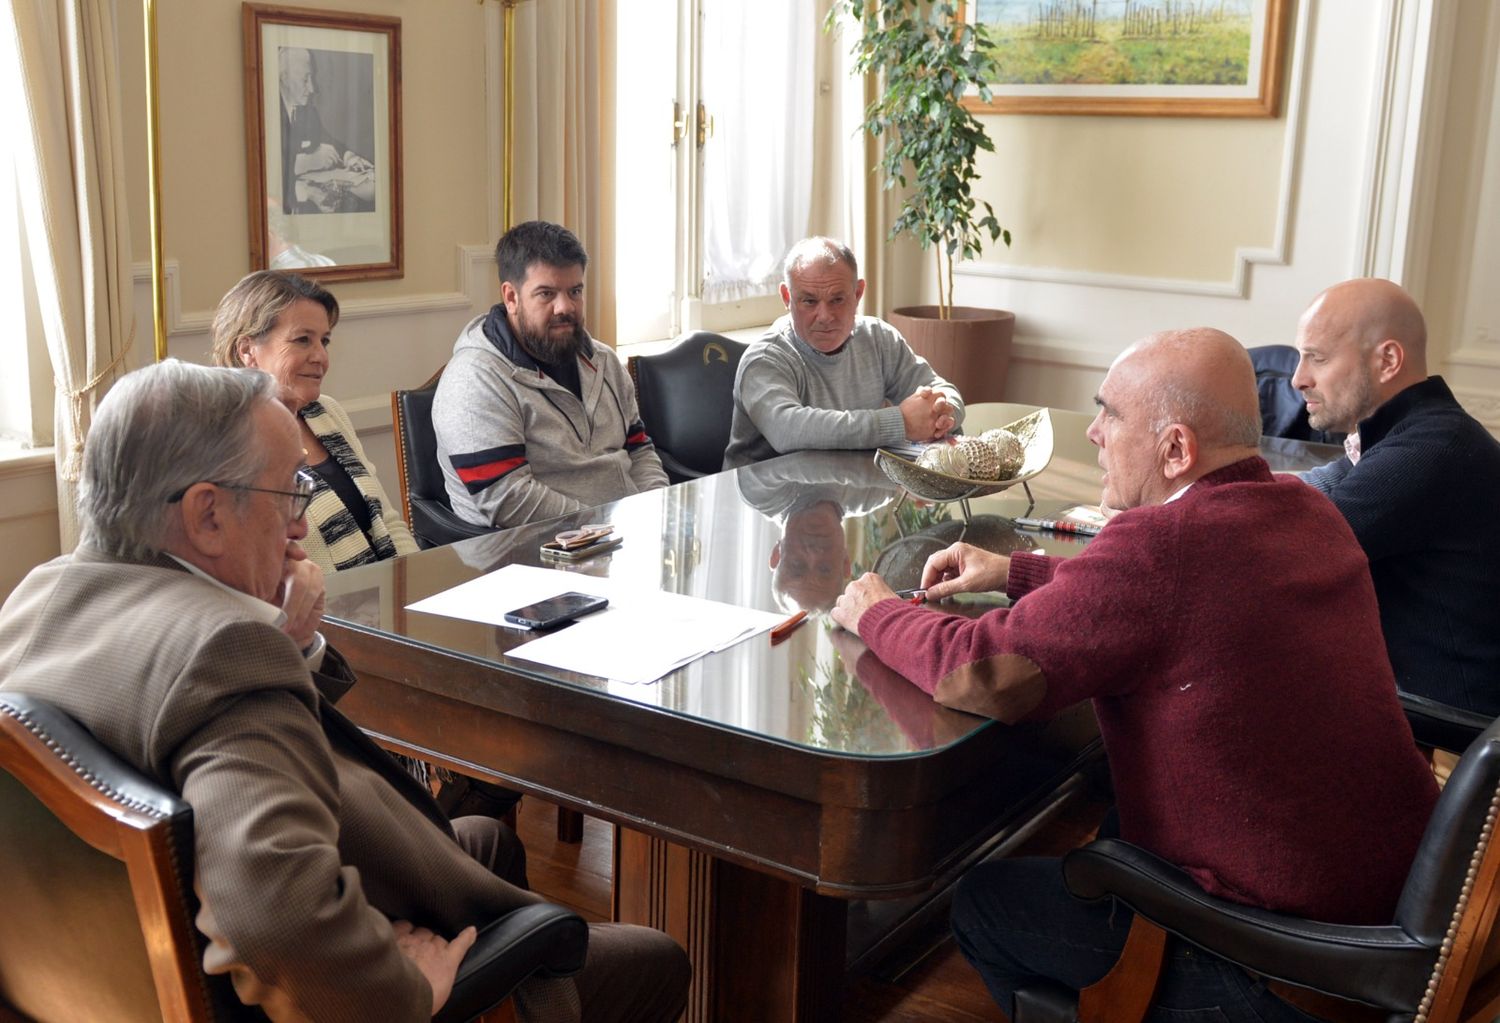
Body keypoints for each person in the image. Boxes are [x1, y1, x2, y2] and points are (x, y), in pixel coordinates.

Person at [0, 361, 690, 1023]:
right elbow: (275, 917)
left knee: (482, 844)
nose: (300, 524)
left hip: (105, 978)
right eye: (287, 494)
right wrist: (404, 992)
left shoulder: (35, 599)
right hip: (308, 980)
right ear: (208, 514)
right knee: (658, 959)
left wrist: (290, 640)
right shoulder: (222, 651)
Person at [831, 329, 1439, 1022]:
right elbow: (1184, 598)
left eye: (1109, 415)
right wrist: (1017, 571)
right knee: (1112, 821)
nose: (1091, 431)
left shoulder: (1160, 547)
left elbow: (982, 672)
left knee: (981, 904)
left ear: (1176, 449)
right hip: (1390, 911)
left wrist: (876, 612)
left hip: (1278, 956)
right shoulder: (1307, 509)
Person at [1292, 278, 1500, 715]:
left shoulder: (1431, 449)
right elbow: (1309, 490)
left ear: (1387, 360)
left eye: (1318, 358)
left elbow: (1289, 549)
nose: (1298, 379)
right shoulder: (1415, 433)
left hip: (1444, 719)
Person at [435, 221, 667, 529]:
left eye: (575, 291)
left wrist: (661, 513)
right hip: (530, 554)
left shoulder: (604, 360)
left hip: (621, 537)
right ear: (511, 297)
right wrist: (605, 528)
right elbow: (508, 499)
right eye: (547, 293)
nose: (565, 307)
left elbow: (639, 450)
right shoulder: (474, 381)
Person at [212, 270, 417, 574]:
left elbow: (388, 522)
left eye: (324, 341)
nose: (320, 356)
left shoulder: (326, 414)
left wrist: (418, 583)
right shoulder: (228, 442)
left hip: (385, 599)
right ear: (247, 351)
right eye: (302, 340)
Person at [722, 236, 964, 469]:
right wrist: (901, 423)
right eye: (809, 301)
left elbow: (941, 389)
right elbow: (788, 430)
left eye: (837, 299)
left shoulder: (878, 338)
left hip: (845, 495)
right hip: (761, 504)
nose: (825, 316)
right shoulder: (765, 358)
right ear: (787, 297)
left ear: (858, 293)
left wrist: (942, 414)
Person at [279, 46, 375, 214]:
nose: (312, 89)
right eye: (305, 79)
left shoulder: (306, 109)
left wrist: (349, 156)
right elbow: (268, 173)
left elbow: (325, 137)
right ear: (284, 78)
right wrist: (306, 162)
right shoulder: (266, 112)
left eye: (311, 78)